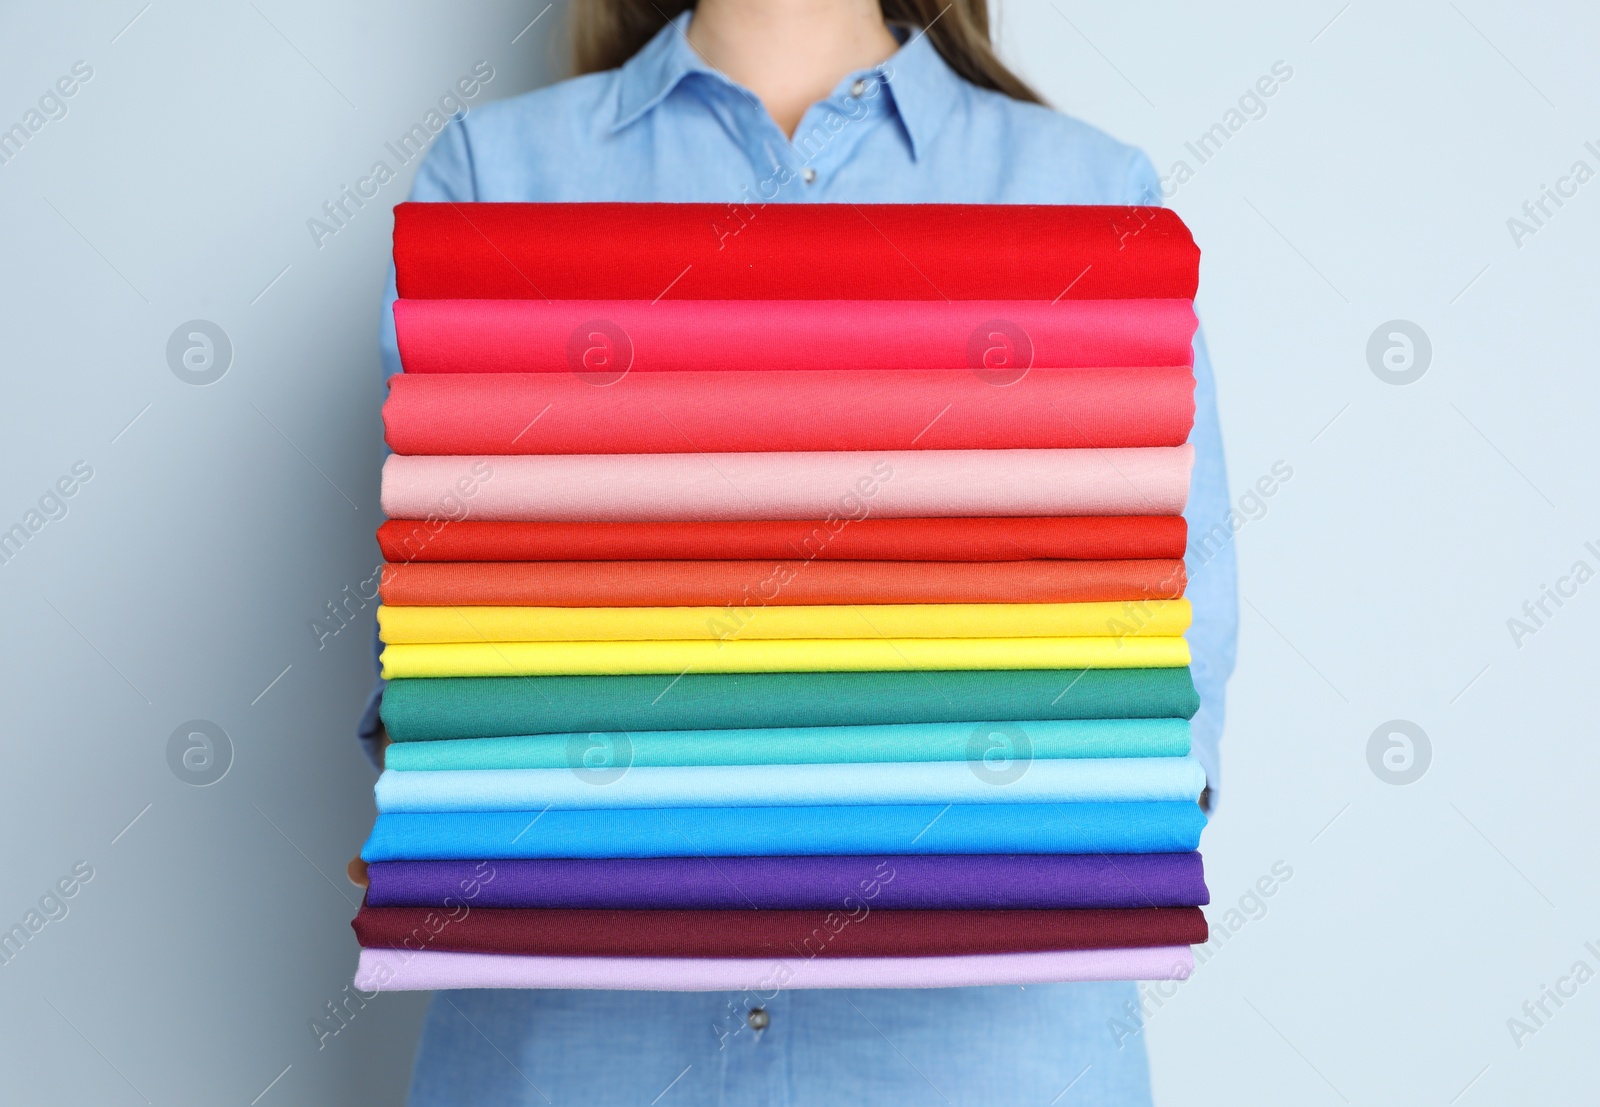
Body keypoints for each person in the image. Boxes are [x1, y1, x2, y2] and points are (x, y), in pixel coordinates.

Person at [353, 2, 1238, 1102]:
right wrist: (446, 776)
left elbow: (1168, 648)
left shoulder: (1087, 193)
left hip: (983, 1061)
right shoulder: (497, 172)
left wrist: (1099, 809)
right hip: (576, 1055)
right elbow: (442, 598)